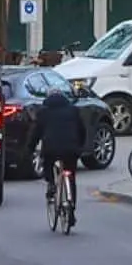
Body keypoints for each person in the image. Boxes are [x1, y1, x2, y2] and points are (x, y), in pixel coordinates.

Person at [30, 88, 85, 227]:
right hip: (71, 149)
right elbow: (82, 130)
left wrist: (29, 149)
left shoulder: (43, 112)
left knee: (48, 164)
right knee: (71, 176)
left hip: (51, 149)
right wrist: (80, 146)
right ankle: (71, 209)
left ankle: (52, 185)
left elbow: (36, 133)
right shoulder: (73, 110)